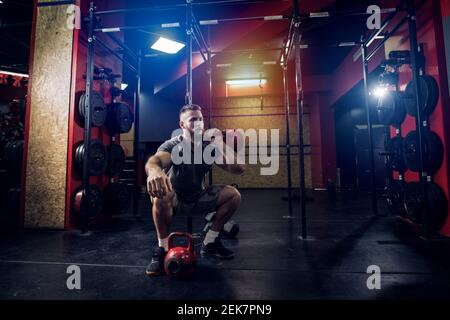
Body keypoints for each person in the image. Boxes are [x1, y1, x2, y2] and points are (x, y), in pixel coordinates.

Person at [145, 104, 245, 276]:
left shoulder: (209, 147)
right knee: (161, 192)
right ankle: (162, 249)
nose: (198, 123)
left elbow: (238, 168)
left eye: (200, 119)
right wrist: (154, 171)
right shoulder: (174, 145)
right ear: (182, 125)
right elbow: (155, 161)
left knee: (233, 195)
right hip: (173, 199)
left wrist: (220, 144)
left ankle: (210, 242)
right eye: (192, 120)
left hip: (198, 197)